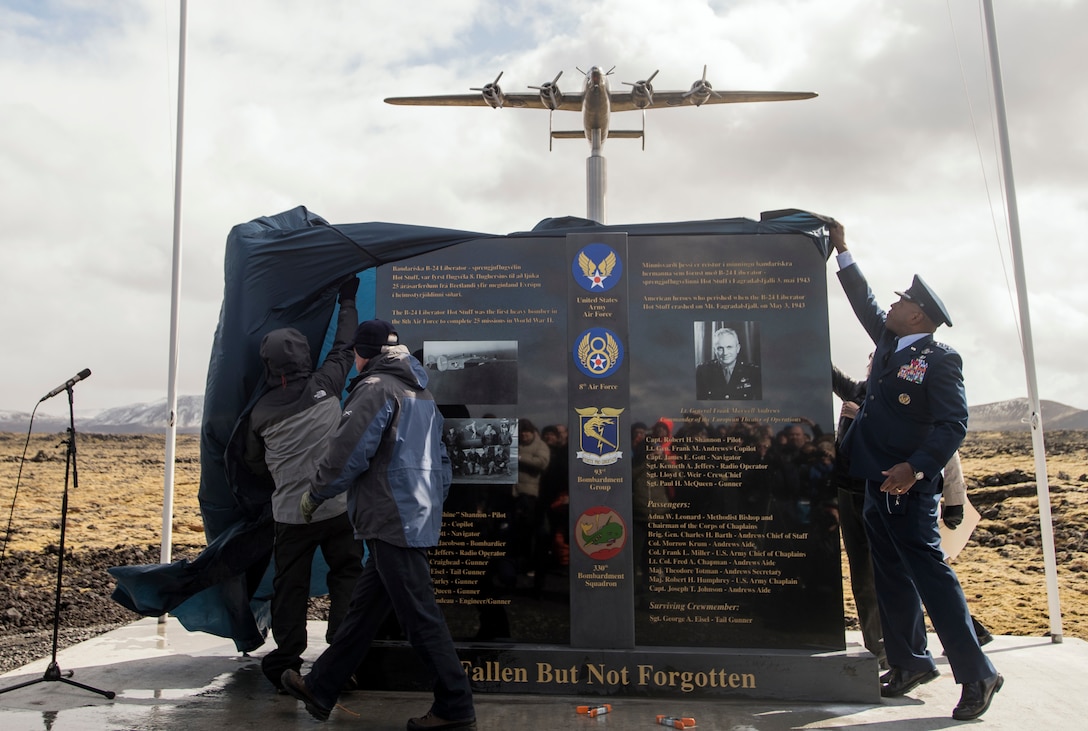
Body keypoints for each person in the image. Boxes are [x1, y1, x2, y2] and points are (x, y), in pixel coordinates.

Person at [829, 220, 1001, 721]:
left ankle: (978, 673)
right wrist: (844, 251)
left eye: (903, 300)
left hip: (907, 486)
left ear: (918, 314)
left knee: (931, 577)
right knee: (890, 576)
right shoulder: (889, 345)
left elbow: (954, 424)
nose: (894, 304)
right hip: (873, 483)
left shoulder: (938, 358)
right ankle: (909, 662)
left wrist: (917, 468)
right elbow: (866, 303)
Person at [280, 319, 475, 730]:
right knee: (365, 612)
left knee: (420, 616)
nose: (352, 360)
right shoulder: (421, 392)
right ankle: (322, 685)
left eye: (353, 353)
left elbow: (347, 451)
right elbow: (442, 461)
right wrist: (430, 503)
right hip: (412, 515)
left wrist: (316, 493)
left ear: (363, 353)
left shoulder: (374, 389)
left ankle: (455, 706)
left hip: (391, 517)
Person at [243, 276, 363, 691]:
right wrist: (347, 298)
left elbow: (253, 463)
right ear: (305, 355)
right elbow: (345, 345)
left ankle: (287, 660)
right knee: (346, 574)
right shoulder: (325, 384)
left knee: (289, 586)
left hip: (291, 515)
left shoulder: (258, 412)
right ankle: (340, 659)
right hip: (337, 507)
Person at [695, 327, 762, 400]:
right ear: (715, 350)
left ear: (737, 349)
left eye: (729, 347)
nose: (725, 353)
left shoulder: (753, 372)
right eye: (720, 348)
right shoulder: (703, 371)